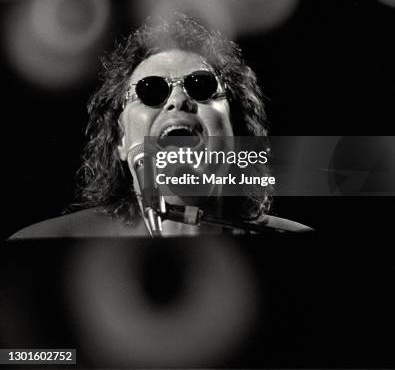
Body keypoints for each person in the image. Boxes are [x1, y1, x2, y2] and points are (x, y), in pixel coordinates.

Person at [10, 13, 310, 238]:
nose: (178, 100)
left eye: (201, 86)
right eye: (151, 91)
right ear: (120, 141)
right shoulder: (42, 243)